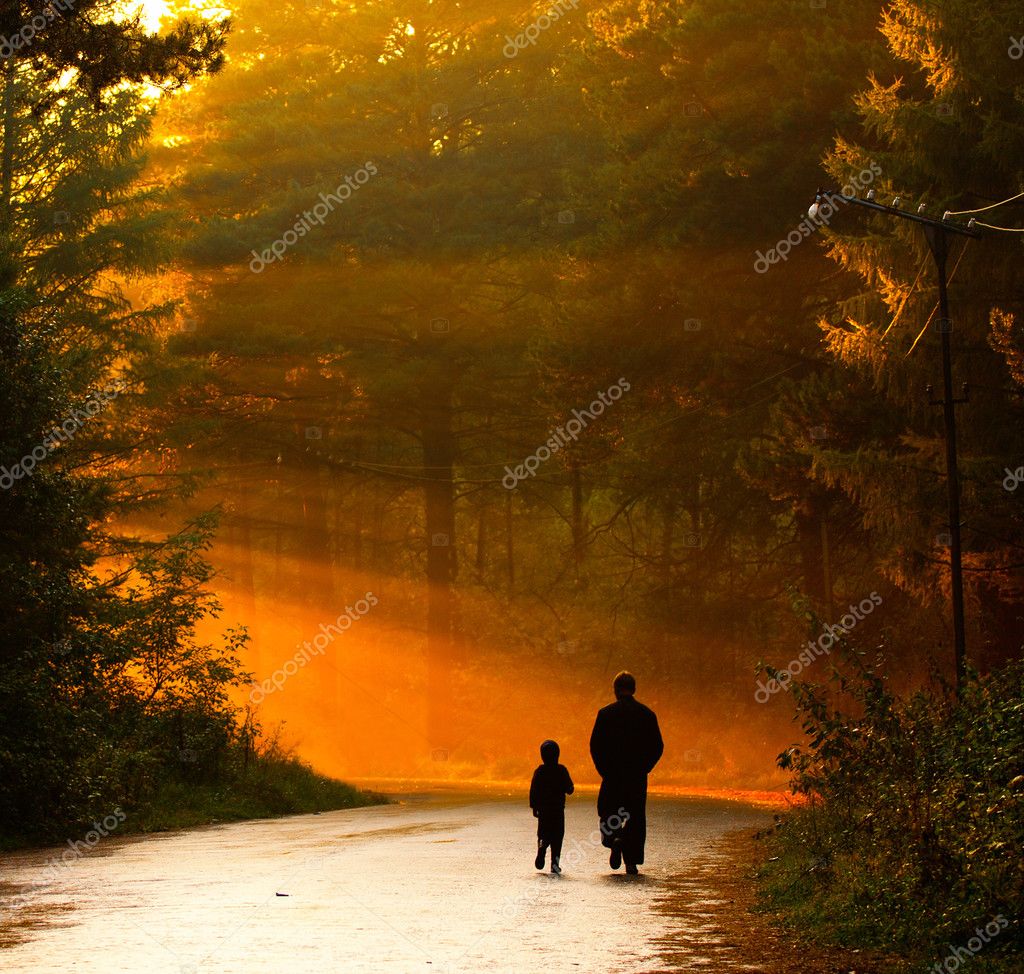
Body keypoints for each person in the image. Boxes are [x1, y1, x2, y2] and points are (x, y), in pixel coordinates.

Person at [589, 671, 663, 875]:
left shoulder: (605, 714)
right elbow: (657, 746)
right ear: (634, 689)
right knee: (636, 816)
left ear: (615, 690)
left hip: (612, 775)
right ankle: (631, 861)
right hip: (636, 776)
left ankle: (614, 839)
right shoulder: (647, 715)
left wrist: (604, 770)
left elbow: (595, 746)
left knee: (608, 811)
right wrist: (645, 767)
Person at [529, 739, 574, 874]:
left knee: (543, 832)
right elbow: (569, 789)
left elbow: (533, 790)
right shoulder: (561, 770)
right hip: (558, 810)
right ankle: (555, 864)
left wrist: (534, 806)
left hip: (544, 810)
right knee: (557, 836)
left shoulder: (540, 771)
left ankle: (542, 846)